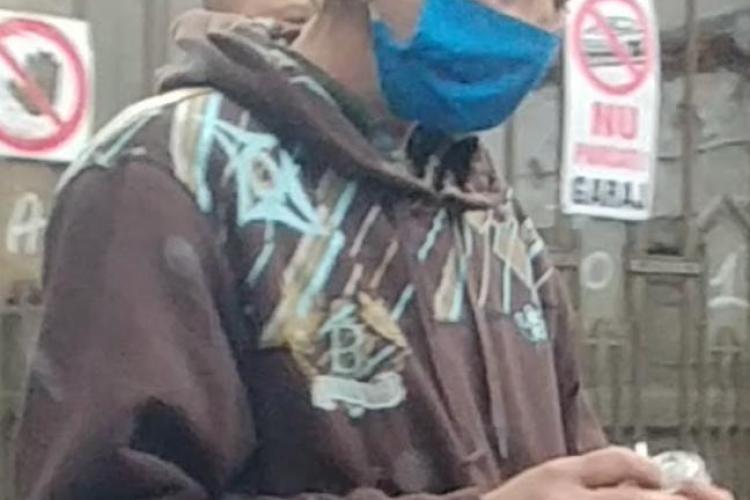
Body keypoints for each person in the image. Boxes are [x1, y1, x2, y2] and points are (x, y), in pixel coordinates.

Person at [14, 1, 733, 499]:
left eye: (558, 1)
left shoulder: (482, 205)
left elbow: (566, 457)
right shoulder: (165, 172)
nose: (542, 22)